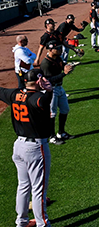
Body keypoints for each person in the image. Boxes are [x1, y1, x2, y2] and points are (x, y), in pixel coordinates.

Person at [0, 69, 54, 227]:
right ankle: (42, 224)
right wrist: (49, 90)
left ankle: (21, 222)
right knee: (38, 189)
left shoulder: (14, 95)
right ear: (38, 81)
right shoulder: (38, 98)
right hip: (35, 148)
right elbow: (43, 102)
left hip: (19, 146)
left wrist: (45, 91)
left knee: (23, 185)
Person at [41, 41, 75, 145]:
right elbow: (49, 80)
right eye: (57, 49)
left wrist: (68, 66)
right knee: (52, 113)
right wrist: (64, 74)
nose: (60, 50)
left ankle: (61, 132)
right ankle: (52, 136)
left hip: (59, 88)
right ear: (50, 50)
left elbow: (62, 65)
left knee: (65, 109)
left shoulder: (57, 58)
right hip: (51, 90)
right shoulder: (46, 63)